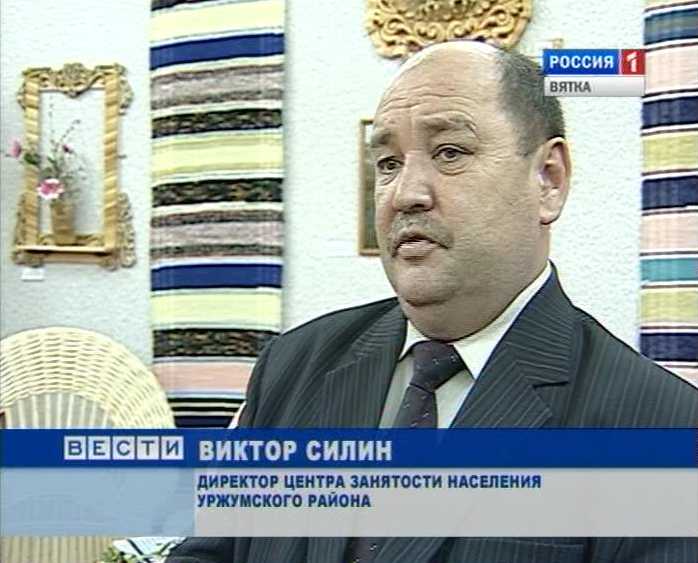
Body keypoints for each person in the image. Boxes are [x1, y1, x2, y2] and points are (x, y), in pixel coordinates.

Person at [167, 40, 698, 563]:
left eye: (450, 153)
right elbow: (208, 550)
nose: (406, 194)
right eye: (388, 162)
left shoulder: (660, 427)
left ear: (548, 180)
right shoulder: (293, 365)